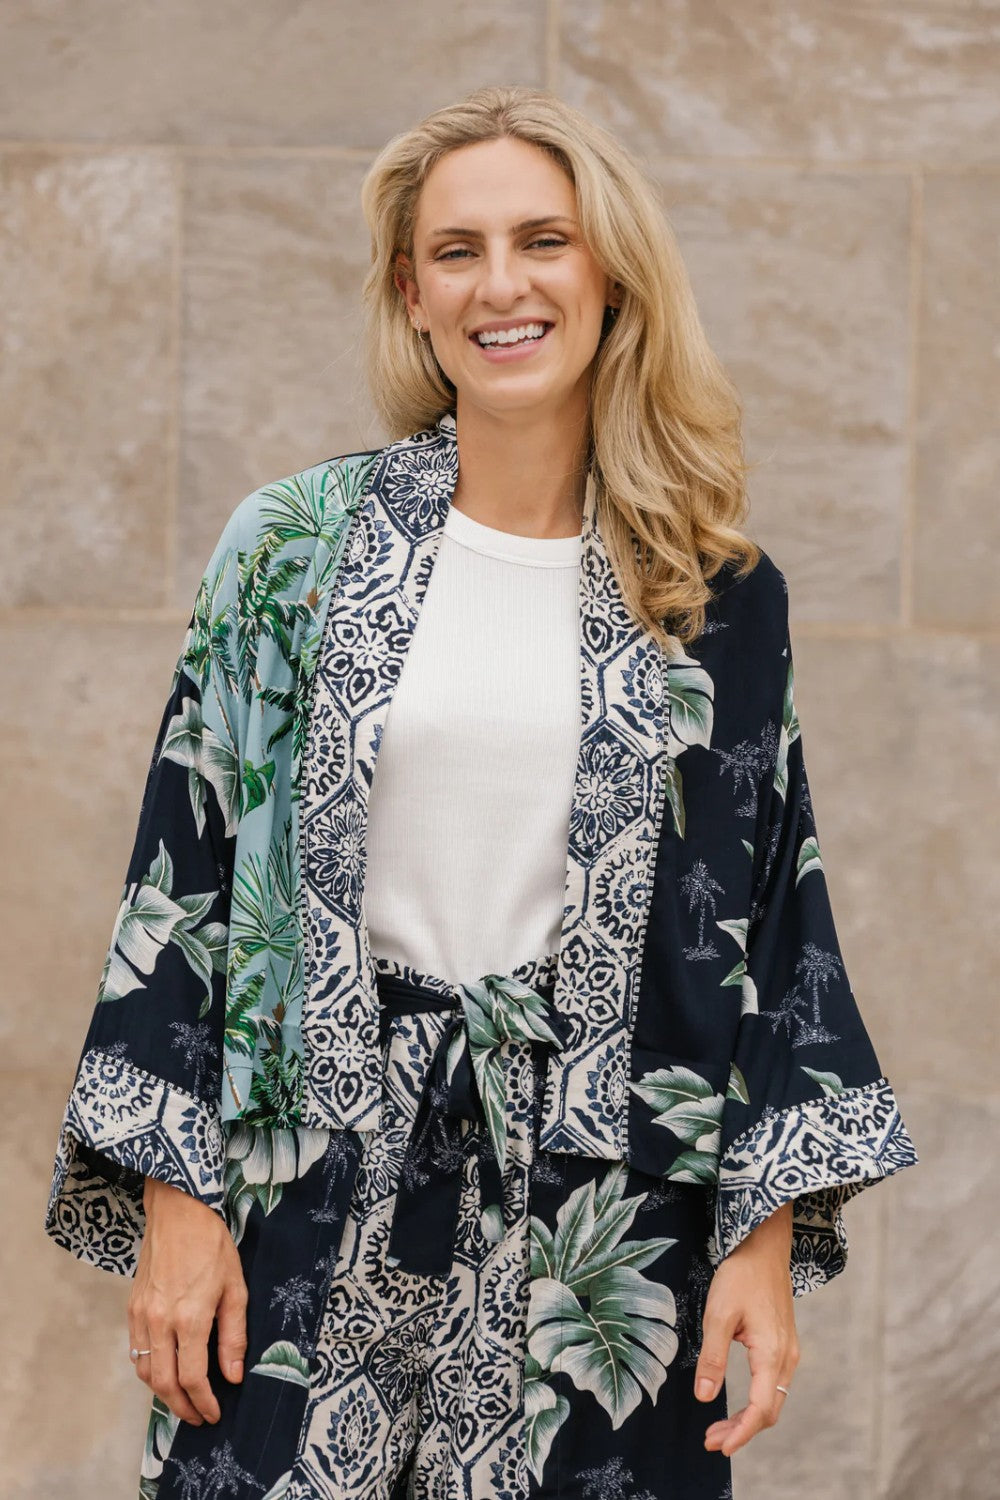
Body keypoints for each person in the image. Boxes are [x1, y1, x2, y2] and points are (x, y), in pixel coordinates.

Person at [44, 84, 917, 1500]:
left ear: (610, 273)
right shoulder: (293, 548)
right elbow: (181, 875)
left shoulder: (712, 597)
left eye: (542, 241)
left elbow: (775, 918)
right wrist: (176, 1203)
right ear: (412, 290)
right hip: (304, 1192)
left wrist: (761, 1240)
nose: (500, 284)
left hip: (604, 1232)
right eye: (456, 250)